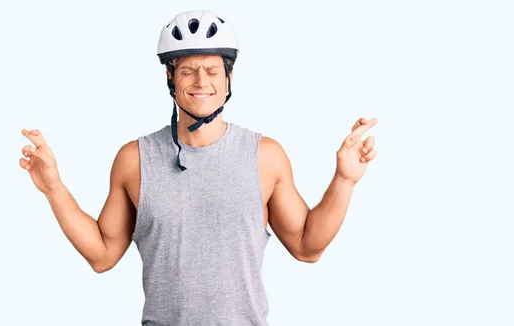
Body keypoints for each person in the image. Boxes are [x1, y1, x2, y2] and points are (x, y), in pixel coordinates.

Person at [19, 10, 377, 325]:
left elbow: (307, 247)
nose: (201, 81)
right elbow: (102, 255)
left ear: (228, 80)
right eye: (188, 71)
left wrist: (344, 180)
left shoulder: (265, 156)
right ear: (170, 80)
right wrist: (54, 187)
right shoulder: (134, 159)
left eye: (211, 71)